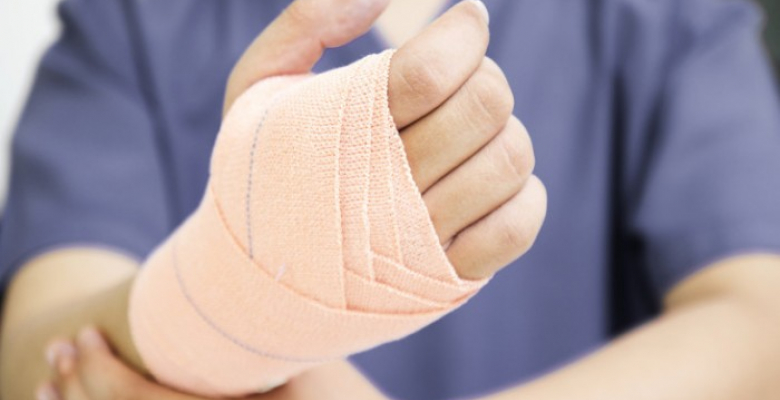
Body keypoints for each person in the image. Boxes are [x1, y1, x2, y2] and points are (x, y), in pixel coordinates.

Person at [2, 0, 780, 399]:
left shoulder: (665, 15)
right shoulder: (137, 20)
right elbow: (36, 353)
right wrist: (231, 291)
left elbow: (762, 323)